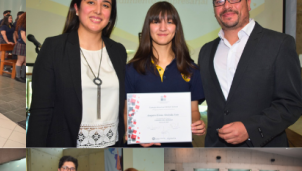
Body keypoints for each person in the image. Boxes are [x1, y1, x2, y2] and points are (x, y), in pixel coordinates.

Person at [198, 0, 302, 147]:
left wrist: (251, 129)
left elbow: (292, 104)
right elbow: (197, 95)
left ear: (248, 3)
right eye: (219, 1)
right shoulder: (206, 51)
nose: (227, 6)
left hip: (265, 155)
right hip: (216, 153)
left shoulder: (280, 44)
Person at [26, 0, 127, 147]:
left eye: (105, 5)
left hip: (113, 143)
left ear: (111, 13)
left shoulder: (118, 51)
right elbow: (41, 111)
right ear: (77, 9)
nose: (98, 10)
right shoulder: (54, 47)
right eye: (91, 2)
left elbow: (123, 103)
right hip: (68, 143)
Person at [125, 2, 205, 147]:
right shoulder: (131, 69)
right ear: (148, 27)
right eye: (156, 22)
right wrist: (135, 135)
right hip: (141, 147)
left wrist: (196, 124)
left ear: (176, 28)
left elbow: (194, 110)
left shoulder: (192, 69)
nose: (163, 28)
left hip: (180, 147)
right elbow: (127, 113)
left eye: (169, 22)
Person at [12, 12, 26, 82]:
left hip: (25, 44)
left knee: (25, 61)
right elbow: (23, 36)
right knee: (20, 60)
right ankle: (18, 76)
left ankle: (23, 76)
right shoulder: (22, 25)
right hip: (21, 44)